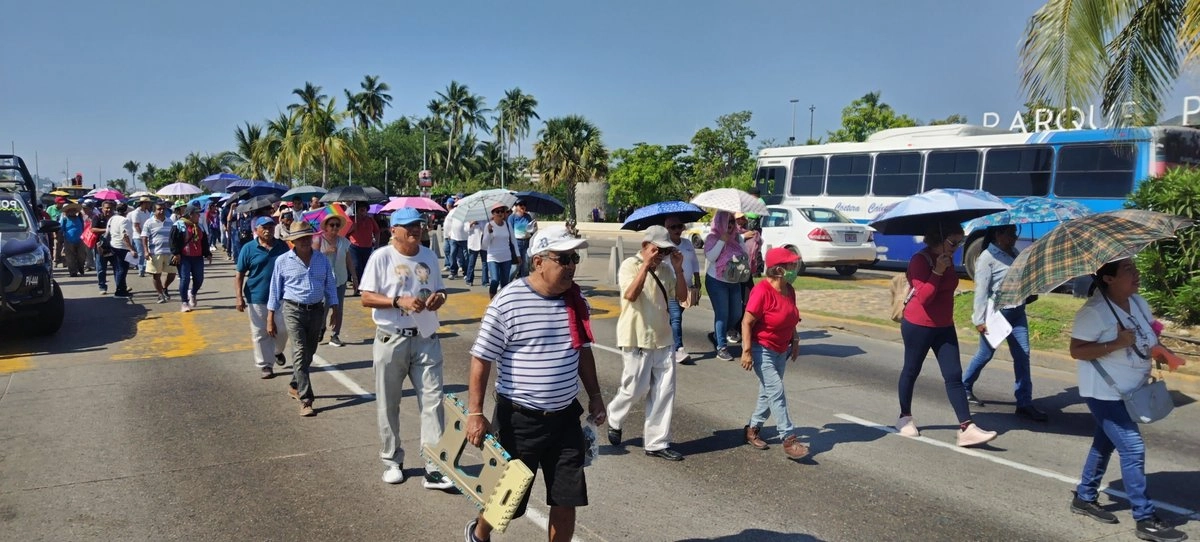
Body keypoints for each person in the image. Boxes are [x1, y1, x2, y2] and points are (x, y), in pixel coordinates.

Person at [464, 225, 606, 542]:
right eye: (564, 258)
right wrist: (475, 413)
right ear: (539, 260)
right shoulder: (508, 302)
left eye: (574, 258)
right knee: (506, 502)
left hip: (565, 418)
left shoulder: (575, 300)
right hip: (519, 420)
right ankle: (479, 533)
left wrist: (595, 395)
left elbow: (583, 352)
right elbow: (481, 358)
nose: (571, 265)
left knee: (567, 499)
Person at [1067, 258, 1187, 542]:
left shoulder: (1137, 301)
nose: (1137, 274)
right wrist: (1116, 344)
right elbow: (1076, 351)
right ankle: (1145, 518)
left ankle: (1084, 497)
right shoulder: (1094, 312)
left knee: (1104, 442)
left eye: (1135, 268)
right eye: (1128, 270)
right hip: (1105, 392)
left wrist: (1165, 353)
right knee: (1132, 448)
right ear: (1108, 279)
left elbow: (1151, 332)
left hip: (1132, 390)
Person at [358, 208, 454, 489]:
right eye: (408, 226)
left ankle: (434, 467)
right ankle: (392, 460)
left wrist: (439, 298)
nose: (416, 230)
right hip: (391, 338)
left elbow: (441, 289)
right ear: (393, 230)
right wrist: (397, 301)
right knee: (389, 402)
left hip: (426, 337)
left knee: (433, 401)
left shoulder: (428, 255)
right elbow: (365, 297)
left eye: (419, 225)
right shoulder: (381, 257)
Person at [895, 222, 997, 447]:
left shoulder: (948, 260)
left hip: (943, 325)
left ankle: (966, 427)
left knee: (953, 375)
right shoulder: (920, 261)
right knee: (911, 370)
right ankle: (904, 417)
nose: (957, 247)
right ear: (937, 239)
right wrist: (937, 272)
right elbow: (924, 298)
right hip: (918, 324)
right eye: (953, 242)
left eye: (960, 242)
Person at [607, 226, 688, 461]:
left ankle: (657, 442)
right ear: (645, 246)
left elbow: (681, 297)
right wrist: (645, 265)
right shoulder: (629, 266)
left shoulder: (666, 270)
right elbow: (631, 295)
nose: (661, 255)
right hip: (636, 336)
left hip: (663, 338)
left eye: (665, 251)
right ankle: (615, 416)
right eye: (657, 250)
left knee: (664, 392)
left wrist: (679, 270)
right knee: (635, 388)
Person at [961, 225, 1048, 422]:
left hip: (1018, 312)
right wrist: (979, 320)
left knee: (1022, 356)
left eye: (1014, 233)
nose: (1014, 237)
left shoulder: (1014, 253)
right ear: (997, 235)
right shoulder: (987, 258)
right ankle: (964, 387)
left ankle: (1024, 402)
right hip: (997, 315)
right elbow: (981, 291)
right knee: (985, 354)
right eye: (1010, 234)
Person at [740, 247, 808, 459]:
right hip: (762, 349)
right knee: (776, 392)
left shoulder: (789, 289)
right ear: (778, 269)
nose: (794, 269)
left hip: (781, 349)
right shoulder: (761, 291)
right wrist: (747, 351)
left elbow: (791, 317)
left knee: (767, 393)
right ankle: (788, 438)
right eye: (790, 266)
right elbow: (747, 322)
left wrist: (795, 339)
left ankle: (752, 429)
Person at [267, 221, 339, 417]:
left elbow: (329, 284)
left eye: (307, 237)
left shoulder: (321, 259)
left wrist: (335, 308)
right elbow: (275, 290)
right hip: (293, 309)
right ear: (293, 242)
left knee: (310, 351)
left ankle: (294, 383)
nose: (305, 241)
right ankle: (306, 398)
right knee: (299, 350)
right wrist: (270, 316)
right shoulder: (282, 261)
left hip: (316, 310)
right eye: (300, 239)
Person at [236, 216, 290, 379]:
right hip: (257, 295)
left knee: (283, 330)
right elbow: (239, 274)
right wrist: (239, 297)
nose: (268, 230)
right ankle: (265, 365)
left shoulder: (282, 246)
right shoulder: (248, 248)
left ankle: (276, 351)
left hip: (281, 296)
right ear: (256, 230)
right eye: (264, 227)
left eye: (271, 227)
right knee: (260, 332)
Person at [703, 210, 748, 361]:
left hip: (734, 281)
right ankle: (721, 347)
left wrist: (738, 240)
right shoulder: (712, 237)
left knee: (735, 313)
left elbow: (745, 255)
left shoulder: (737, 237)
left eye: (732, 222)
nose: (729, 225)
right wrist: (722, 240)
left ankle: (718, 333)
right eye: (727, 222)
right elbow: (711, 257)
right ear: (720, 222)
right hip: (716, 280)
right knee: (722, 314)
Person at [313, 213, 355, 347]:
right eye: (332, 225)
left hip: (340, 278)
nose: (335, 227)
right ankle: (320, 328)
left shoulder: (344, 241)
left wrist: (354, 277)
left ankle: (335, 334)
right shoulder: (318, 240)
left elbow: (349, 261)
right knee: (324, 307)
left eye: (337, 225)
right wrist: (326, 252)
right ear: (326, 226)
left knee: (339, 308)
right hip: (324, 280)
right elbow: (312, 259)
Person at [664, 215, 700, 364]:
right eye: (673, 227)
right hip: (671, 287)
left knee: (672, 318)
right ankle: (678, 349)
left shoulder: (687, 243)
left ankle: (667, 342)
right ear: (666, 229)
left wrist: (697, 279)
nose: (678, 230)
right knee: (676, 317)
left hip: (687, 286)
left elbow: (694, 261)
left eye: (680, 226)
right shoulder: (664, 245)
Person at [170, 205, 212, 313]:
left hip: (197, 257)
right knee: (185, 279)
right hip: (184, 257)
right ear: (190, 215)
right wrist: (176, 253)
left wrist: (207, 253)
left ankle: (192, 293)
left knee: (199, 279)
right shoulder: (178, 225)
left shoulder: (199, 226)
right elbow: (173, 240)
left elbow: (204, 241)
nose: (199, 216)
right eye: (197, 214)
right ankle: (184, 302)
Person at [141, 201, 178, 304]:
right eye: (159, 209)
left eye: (163, 209)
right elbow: (144, 237)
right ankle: (160, 294)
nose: (161, 211)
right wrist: (146, 251)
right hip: (155, 252)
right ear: (154, 211)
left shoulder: (170, 222)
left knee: (172, 273)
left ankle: (165, 288)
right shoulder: (149, 222)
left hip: (169, 252)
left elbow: (174, 237)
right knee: (156, 275)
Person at [481, 202, 520, 299]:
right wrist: (489, 233)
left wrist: (518, 255)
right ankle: (492, 301)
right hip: (493, 257)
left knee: (505, 282)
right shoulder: (488, 226)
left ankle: (503, 301)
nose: (500, 213)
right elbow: (484, 245)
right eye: (497, 211)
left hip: (506, 257)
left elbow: (513, 240)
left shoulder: (507, 225)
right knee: (495, 280)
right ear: (493, 214)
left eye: (502, 211)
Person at [347, 204, 379, 296]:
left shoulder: (370, 220)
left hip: (367, 247)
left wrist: (376, 244)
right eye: (361, 210)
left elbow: (377, 231)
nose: (363, 212)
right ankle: (357, 287)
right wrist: (352, 228)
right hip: (354, 246)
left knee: (366, 268)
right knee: (357, 267)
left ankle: (365, 288)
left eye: (364, 210)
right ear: (357, 211)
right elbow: (345, 232)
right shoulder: (352, 219)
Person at [106, 203, 135, 298]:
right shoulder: (124, 220)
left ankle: (121, 287)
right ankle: (120, 291)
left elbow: (107, 232)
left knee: (118, 269)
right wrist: (131, 249)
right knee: (122, 269)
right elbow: (125, 236)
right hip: (122, 247)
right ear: (126, 211)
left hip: (113, 245)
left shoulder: (112, 218)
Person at [90, 201, 117, 295]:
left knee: (117, 268)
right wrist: (107, 230)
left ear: (114, 208)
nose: (108, 210)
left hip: (115, 246)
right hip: (100, 247)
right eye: (106, 208)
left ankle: (120, 286)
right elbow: (93, 229)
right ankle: (102, 286)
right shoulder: (97, 217)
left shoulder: (116, 218)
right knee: (101, 268)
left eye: (110, 208)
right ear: (102, 208)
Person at [508, 199, 538, 278]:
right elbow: (509, 231)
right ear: (516, 207)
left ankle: (524, 281)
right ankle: (506, 282)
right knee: (516, 266)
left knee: (526, 264)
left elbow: (531, 230)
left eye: (524, 205)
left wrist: (534, 227)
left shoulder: (527, 217)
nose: (522, 207)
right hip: (516, 243)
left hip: (526, 241)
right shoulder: (512, 217)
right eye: (520, 205)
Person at [58, 203, 88, 277]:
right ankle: (73, 272)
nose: (72, 212)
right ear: (67, 212)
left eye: (73, 210)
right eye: (70, 210)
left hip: (80, 240)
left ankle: (81, 268)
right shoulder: (64, 219)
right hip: (68, 240)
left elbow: (83, 228)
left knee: (82, 256)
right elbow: (60, 229)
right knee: (70, 257)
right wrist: (60, 239)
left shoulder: (80, 218)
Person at [129, 197, 153, 277]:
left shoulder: (147, 212)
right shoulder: (136, 212)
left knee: (147, 252)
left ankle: (146, 268)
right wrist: (143, 234)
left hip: (146, 235)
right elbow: (136, 226)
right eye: (148, 203)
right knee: (141, 254)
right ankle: (141, 269)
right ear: (143, 203)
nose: (149, 205)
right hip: (138, 236)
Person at [464, 219, 489, 288]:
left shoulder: (484, 219)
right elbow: (466, 229)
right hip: (473, 243)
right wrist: (472, 223)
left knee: (485, 263)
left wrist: (480, 224)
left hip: (483, 243)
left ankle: (485, 281)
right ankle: (469, 280)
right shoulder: (469, 218)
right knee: (472, 263)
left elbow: (486, 229)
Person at [445, 215, 468, 280]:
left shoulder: (467, 212)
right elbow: (449, 224)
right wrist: (449, 233)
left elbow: (468, 226)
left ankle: (465, 272)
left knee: (465, 256)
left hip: (464, 238)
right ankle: (453, 272)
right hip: (454, 238)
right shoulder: (453, 212)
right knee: (452, 254)